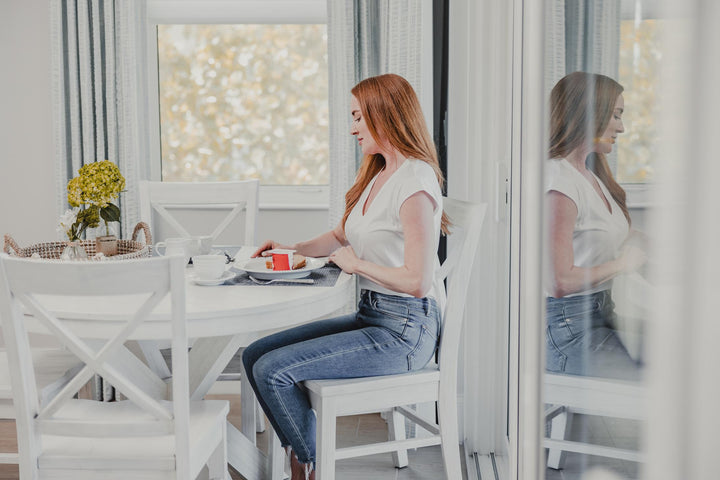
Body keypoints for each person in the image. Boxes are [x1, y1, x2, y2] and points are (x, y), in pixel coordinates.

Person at [242, 73, 450, 480]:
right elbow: (341, 235)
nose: (352, 126)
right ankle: (304, 456)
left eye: (358, 116)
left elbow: (417, 281)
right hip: (374, 316)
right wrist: (292, 249)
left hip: (406, 332)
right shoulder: (379, 174)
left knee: (273, 370)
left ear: (384, 114)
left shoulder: (415, 183)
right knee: (254, 356)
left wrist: (356, 265)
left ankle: (308, 465)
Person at [545, 71, 647, 380]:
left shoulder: (589, 176)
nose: (622, 127)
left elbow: (617, 236)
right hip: (567, 333)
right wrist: (623, 264)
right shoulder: (558, 181)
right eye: (616, 115)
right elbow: (559, 281)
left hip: (601, 317)